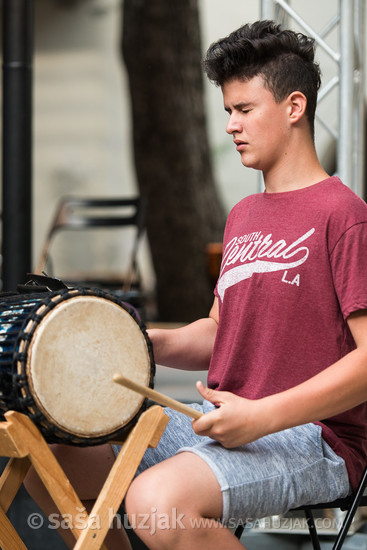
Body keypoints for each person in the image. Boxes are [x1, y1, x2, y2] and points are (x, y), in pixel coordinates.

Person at [24, 19, 367, 550]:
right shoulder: (244, 216)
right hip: (217, 420)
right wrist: (138, 341)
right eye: (228, 110)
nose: (231, 124)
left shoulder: (344, 215)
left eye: (245, 109)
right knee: (49, 464)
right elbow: (218, 332)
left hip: (314, 438)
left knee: (155, 502)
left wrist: (262, 416)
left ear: (294, 107)